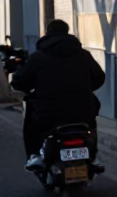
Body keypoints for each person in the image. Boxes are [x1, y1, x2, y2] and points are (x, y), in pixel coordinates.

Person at [10, 19, 104, 168]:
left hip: (48, 114)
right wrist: (84, 89)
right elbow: (99, 77)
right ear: (67, 32)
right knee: (90, 124)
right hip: (82, 112)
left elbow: (20, 80)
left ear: (48, 34)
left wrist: (24, 86)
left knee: (31, 123)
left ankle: (35, 155)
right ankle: (92, 156)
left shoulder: (38, 57)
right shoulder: (83, 55)